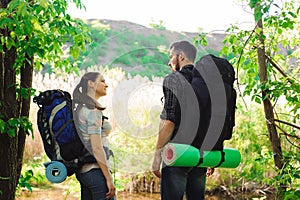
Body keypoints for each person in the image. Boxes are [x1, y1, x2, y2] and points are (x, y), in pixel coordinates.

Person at [152, 40, 214, 200]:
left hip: (177, 153)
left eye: (171, 56)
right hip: (200, 154)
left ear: (181, 56)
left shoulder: (174, 79)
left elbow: (169, 120)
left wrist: (157, 154)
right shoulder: (207, 83)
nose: (169, 61)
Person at [73, 72, 116, 200]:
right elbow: (96, 148)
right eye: (102, 81)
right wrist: (108, 179)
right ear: (90, 83)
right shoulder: (92, 112)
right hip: (95, 172)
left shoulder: (80, 109)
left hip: (84, 172)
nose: (106, 85)